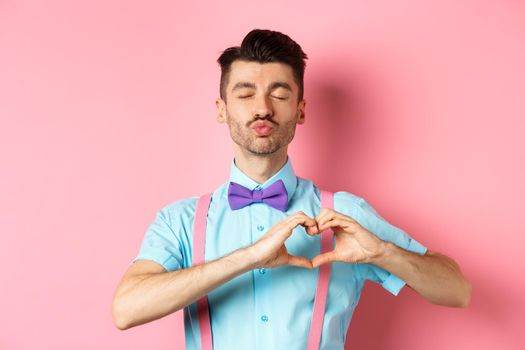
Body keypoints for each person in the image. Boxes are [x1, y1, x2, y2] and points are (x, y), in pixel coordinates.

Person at [112, 29, 471, 349]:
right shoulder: (180, 220)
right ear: (222, 110)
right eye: (245, 94)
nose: (262, 108)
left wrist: (383, 253)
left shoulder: (347, 214)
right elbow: (126, 309)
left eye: (279, 95)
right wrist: (249, 257)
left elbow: (457, 291)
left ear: (300, 110)